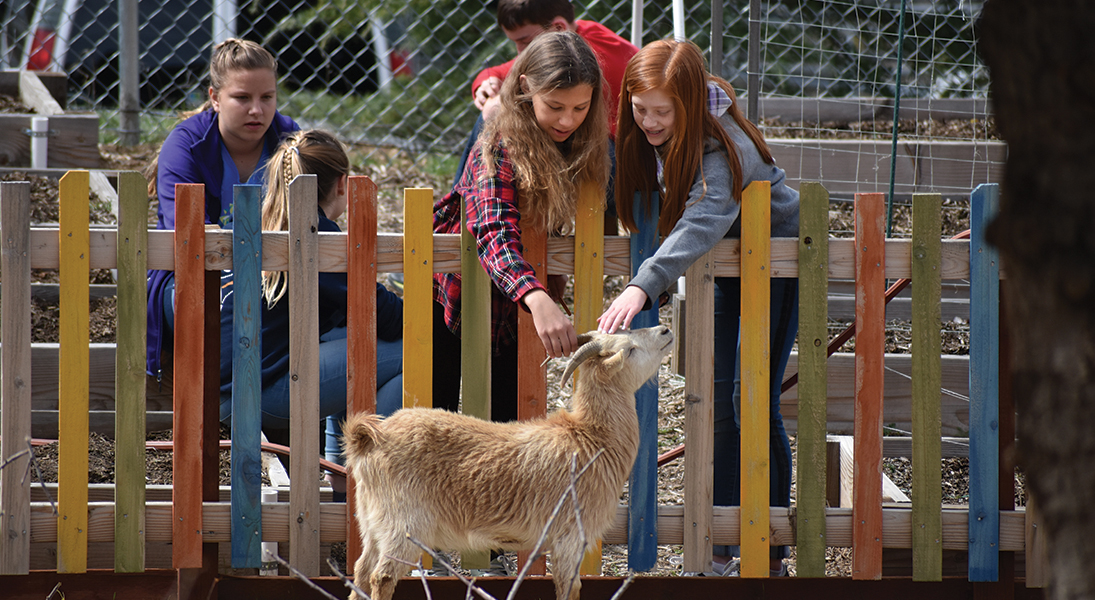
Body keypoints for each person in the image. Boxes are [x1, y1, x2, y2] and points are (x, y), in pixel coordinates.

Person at [597, 39, 800, 577]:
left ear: (688, 102)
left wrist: (644, 285)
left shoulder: (725, 142)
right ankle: (722, 542)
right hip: (725, 270)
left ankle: (770, 551)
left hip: (773, 267)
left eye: (663, 111)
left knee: (753, 401)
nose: (650, 122)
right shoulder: (646, 134)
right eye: (640, 110)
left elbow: (704, 218)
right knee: (719, 404)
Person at [432, 30, 609, 422]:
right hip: (457, 299)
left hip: (515, 317)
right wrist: (537, 297)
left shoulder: (583, 143)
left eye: (581, 107)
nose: (568, 119)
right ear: (526, 87)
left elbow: (610, 216)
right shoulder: (499, 145)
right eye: (555, 105)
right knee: (436, 423)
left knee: (509, 429)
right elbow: (494, 233)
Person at [217, 129, 404, 482]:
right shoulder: (317, 235)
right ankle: (368, 479)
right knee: (408, 351)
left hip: (229, 386)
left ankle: (339, 474)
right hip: (261, 394)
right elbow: (388, 316)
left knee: (355, 338)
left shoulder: (260, 221)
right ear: (342, 184)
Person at [145, 38, 300, 384]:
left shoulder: (289, 140)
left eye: (267, 98)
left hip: (273, 277)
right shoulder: (186, 146)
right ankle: (233, 397)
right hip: (192, 278)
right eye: (242, 98)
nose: (257, 110)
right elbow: (190, 238)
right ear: (215, 98)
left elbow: (313, 221)